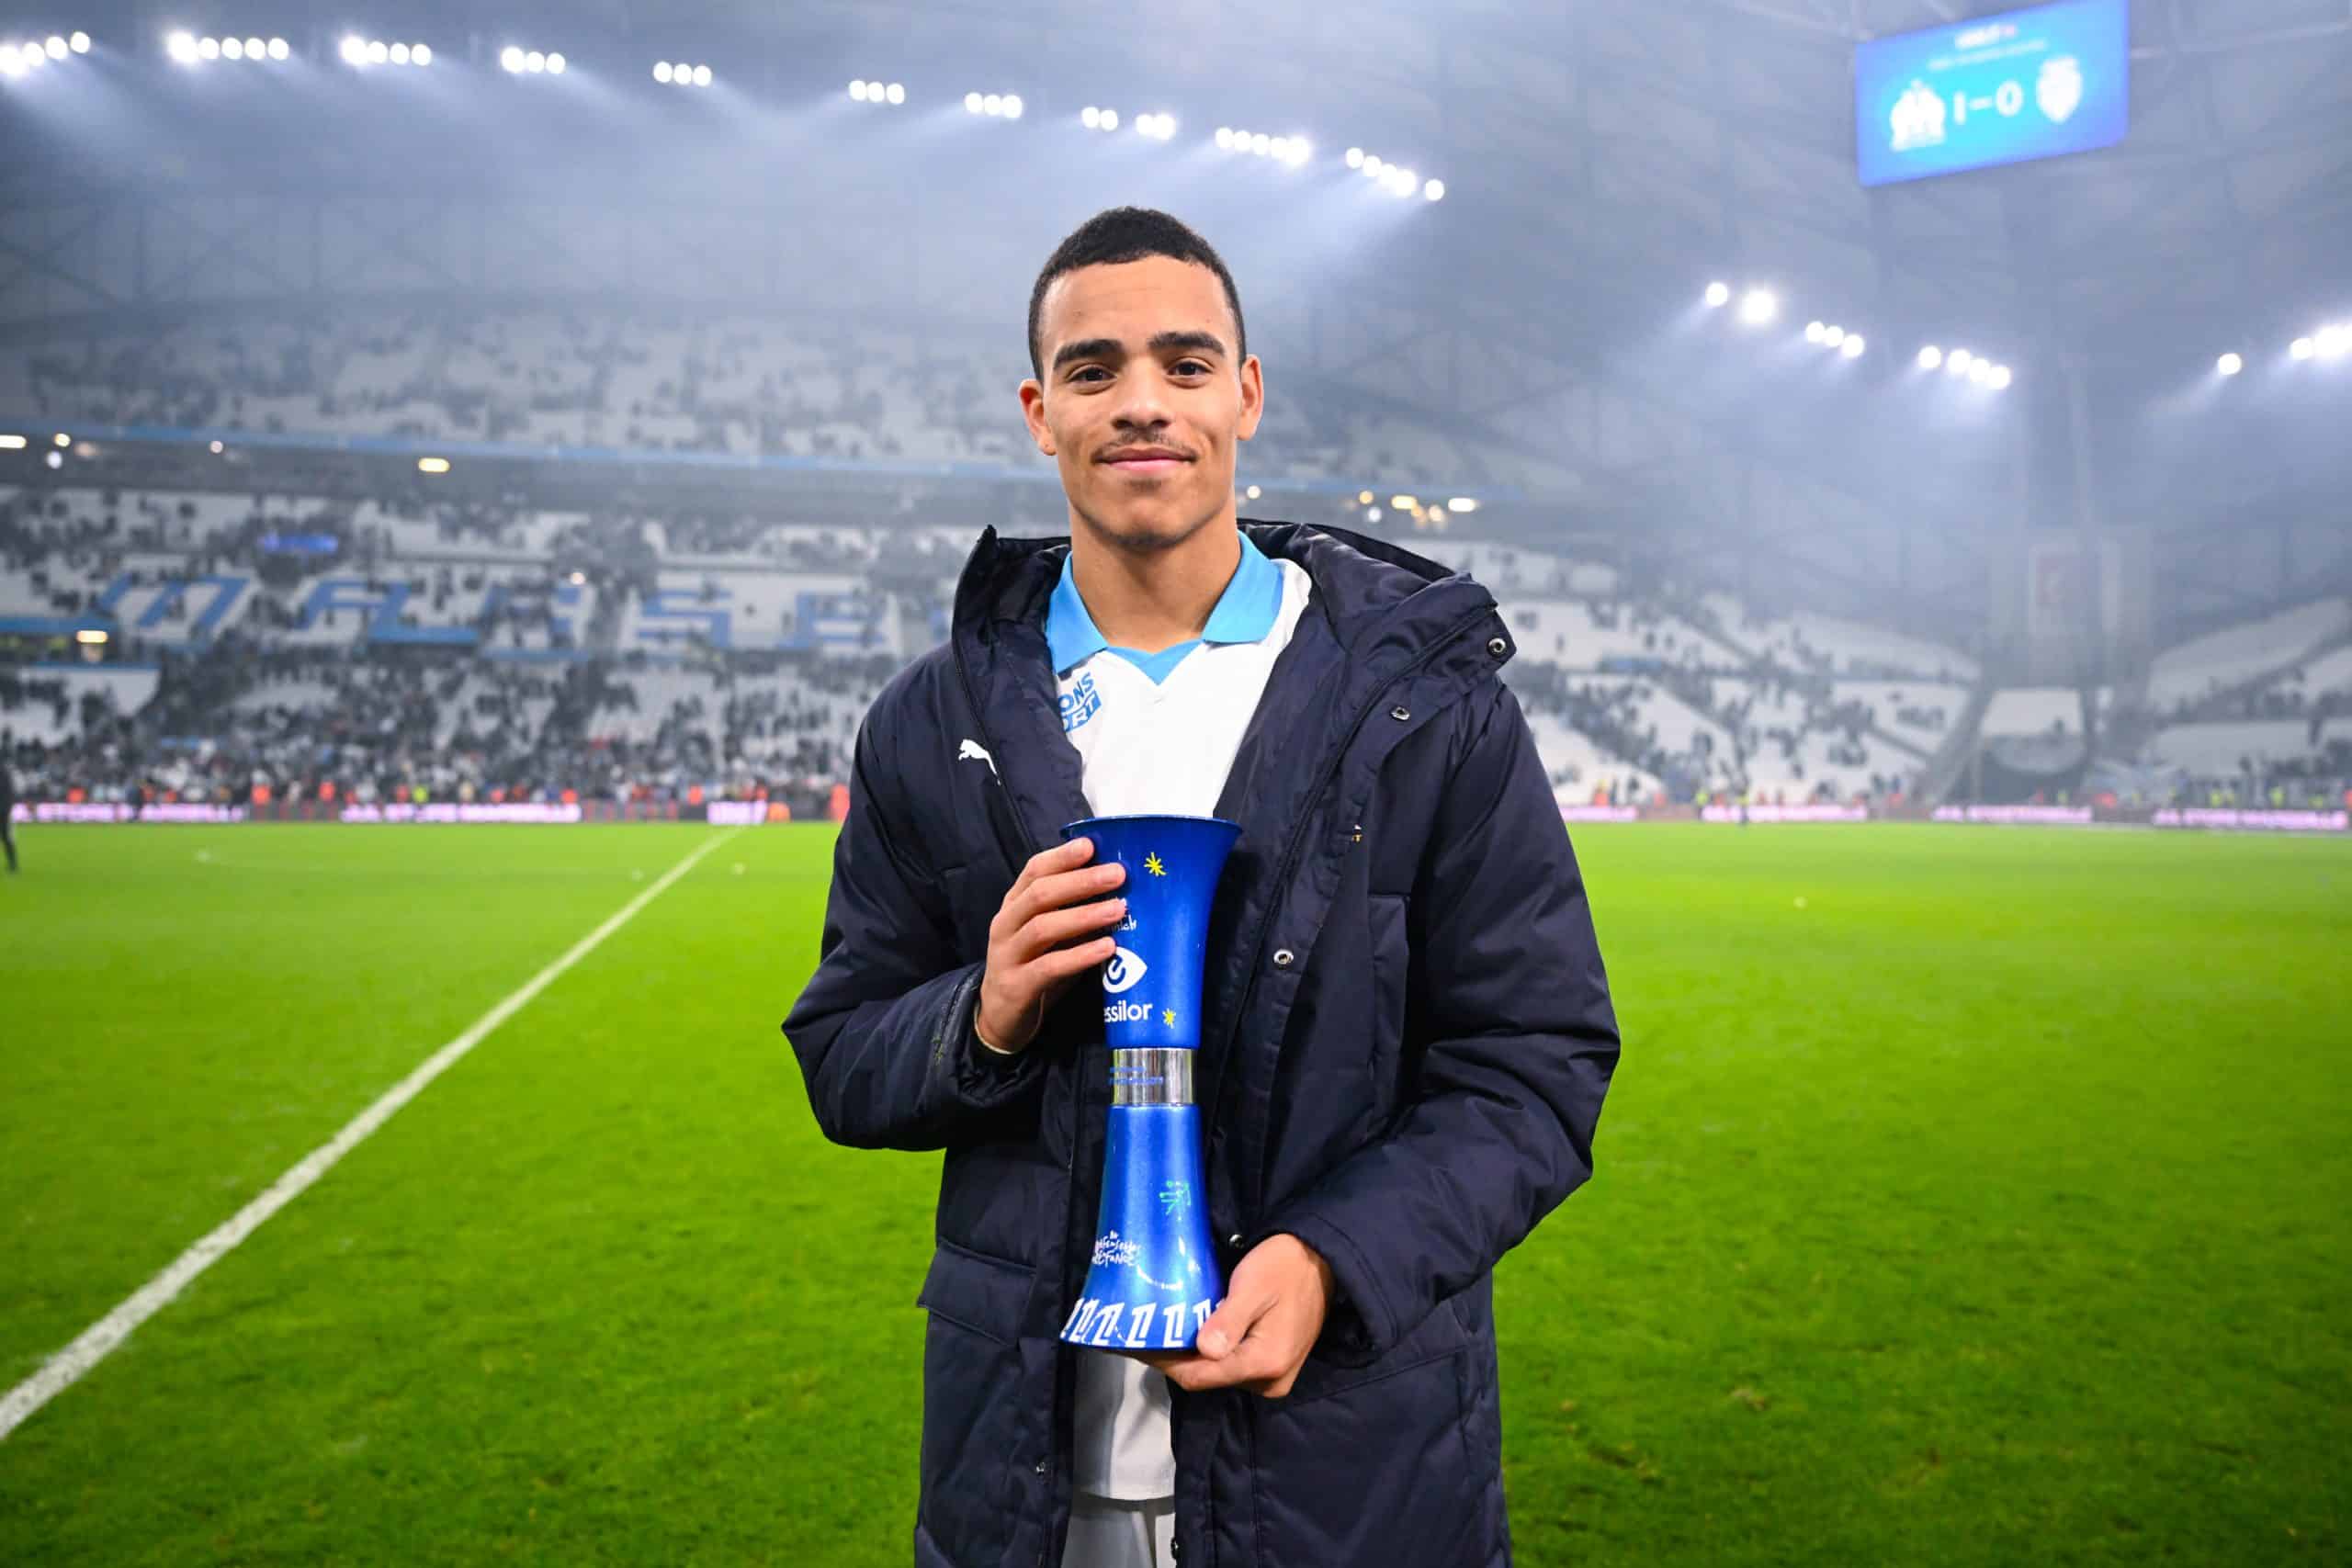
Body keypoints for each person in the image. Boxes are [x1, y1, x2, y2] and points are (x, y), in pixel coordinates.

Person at [782, 207, 1620, 1568]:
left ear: (1246, 392)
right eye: (1095, 370)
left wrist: (1334, 1263)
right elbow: (840, 1054)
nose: (1141, 405)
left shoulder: (1423, 706)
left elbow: (1534, 1062)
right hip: (1028, 1479)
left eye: (1184, 363)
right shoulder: (929, 724)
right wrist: (981, 1017)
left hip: (1347, 1469)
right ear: (1037, 410)